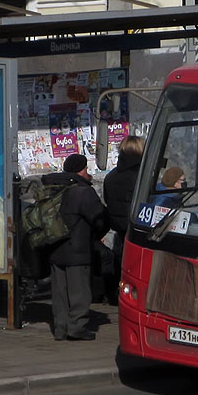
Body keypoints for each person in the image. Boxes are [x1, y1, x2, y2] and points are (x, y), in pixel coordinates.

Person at [43, 154, 109, 342]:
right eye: (86, 169)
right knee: (79, 291)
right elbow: (99, 218)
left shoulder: (53, 188)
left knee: (59, 292)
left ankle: (60, 328)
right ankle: (76, 327)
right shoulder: (82, 191)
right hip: (78, 249)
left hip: (55, 246)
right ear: (81, 169)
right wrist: (97, 235)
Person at [101, 135, 144, 305]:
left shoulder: (111, 176)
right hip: (137, 227)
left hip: (118, 226)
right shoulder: (142, 176)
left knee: (121, 261)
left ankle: (114, 293)